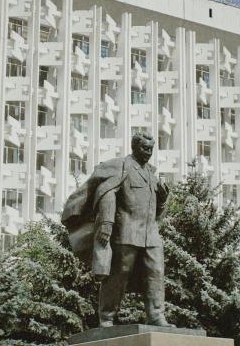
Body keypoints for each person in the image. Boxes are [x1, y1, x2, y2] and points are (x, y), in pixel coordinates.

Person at [61, 132, 173, 328]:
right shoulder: (121, 167)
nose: (148, 152)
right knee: (118, 274)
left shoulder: (152, 176)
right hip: (126, 231)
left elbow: (157, 214)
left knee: (156, 272)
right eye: (144, 148)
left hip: (151, 234)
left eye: (150, 149)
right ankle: (106, 317)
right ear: (134, 147)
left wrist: (163, 200)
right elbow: (106, 194)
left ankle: (156, 315)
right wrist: (106, 224)